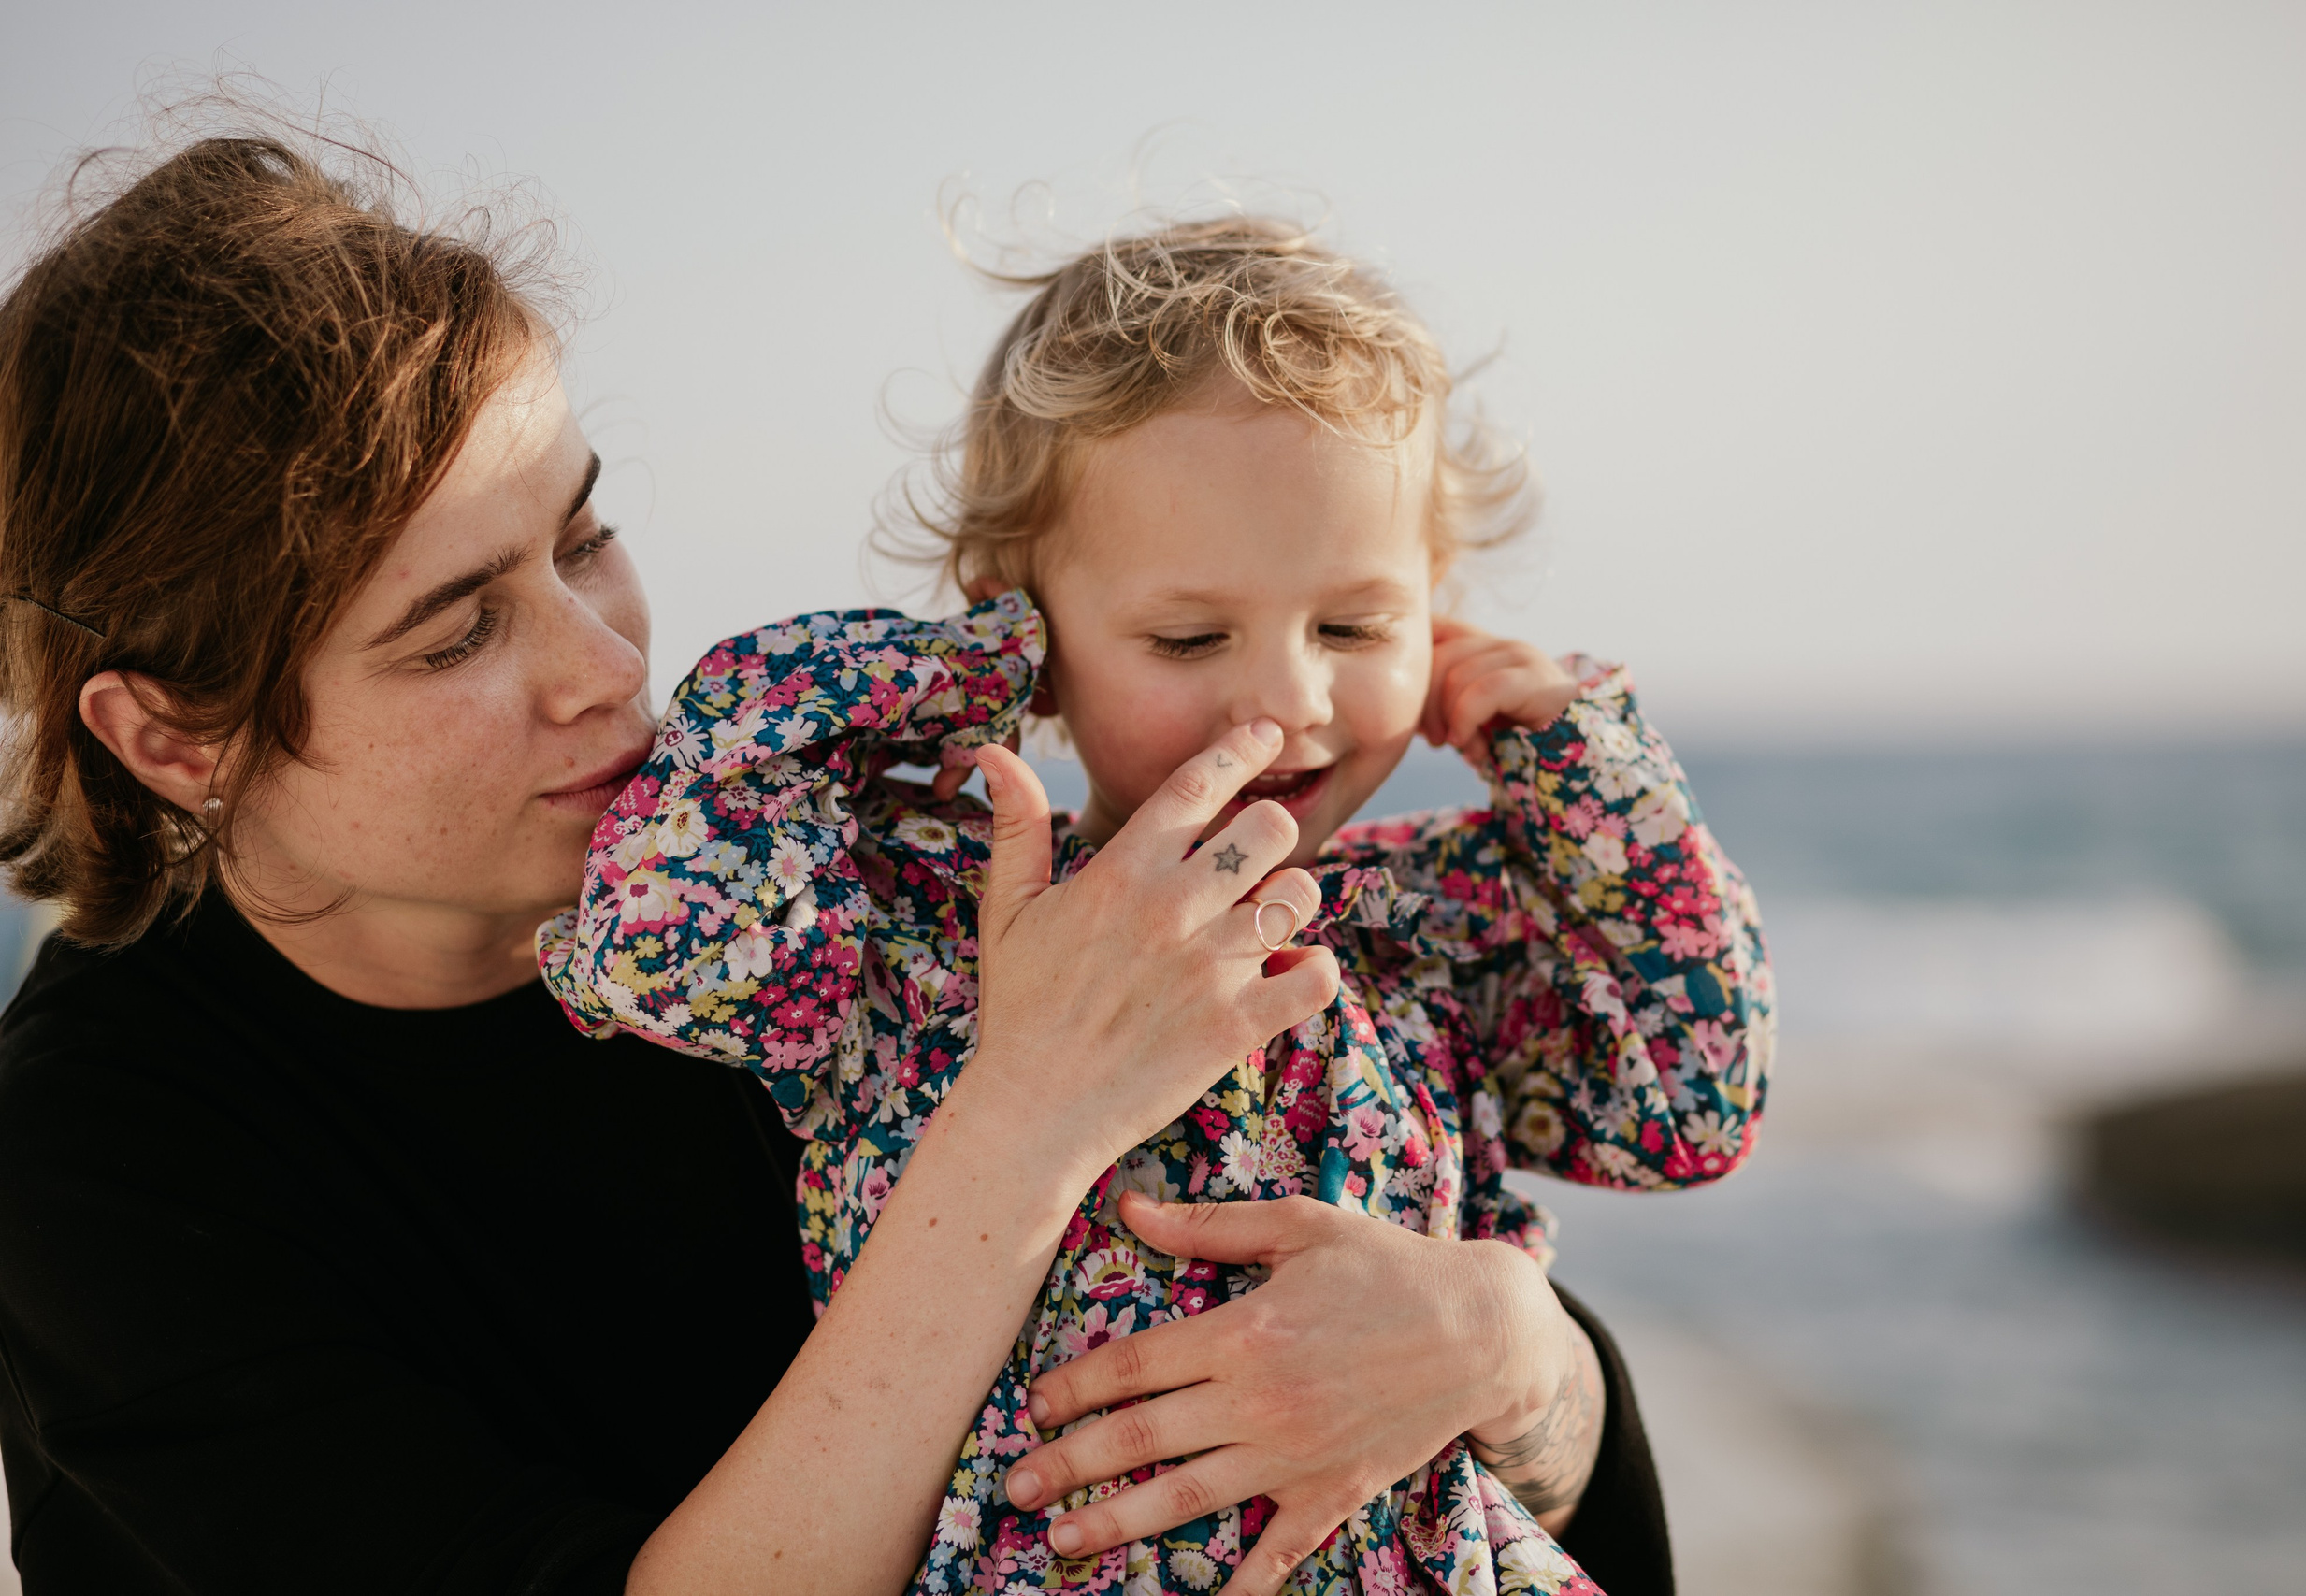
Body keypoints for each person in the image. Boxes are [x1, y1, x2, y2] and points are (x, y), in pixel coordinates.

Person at [0, 136, 1678, 1595]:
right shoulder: (97, 1168)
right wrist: (1025, 1121)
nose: (606, 664)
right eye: (456, 634)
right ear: (175, 740)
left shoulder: (810, 888)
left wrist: (1509, 1357)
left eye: (584, 536)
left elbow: (1436, 1399)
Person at [541, 221, 1773, 1596]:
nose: (1290, 699)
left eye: (1356, 626)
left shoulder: (1425, 924)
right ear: (1031, 631)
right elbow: (667, 951)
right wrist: (958, 674)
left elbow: (1690, 1103)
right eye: (1190, 637)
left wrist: (1586, 769)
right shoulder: (921, 923)